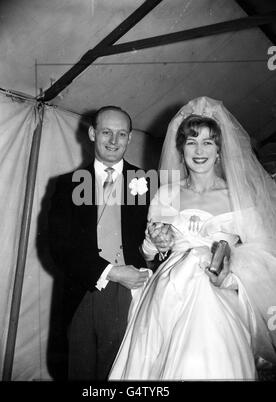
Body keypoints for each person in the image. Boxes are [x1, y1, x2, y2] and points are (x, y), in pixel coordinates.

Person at [109, 96, 276, 380]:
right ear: (181, 148)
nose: (199, 150)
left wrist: (228, 276)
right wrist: (154, 243)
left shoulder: (238, 198)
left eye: (208, 142)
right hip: (166, 297)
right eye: (191, 142)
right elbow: (150, 255)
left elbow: (265, 256)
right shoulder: (166, 195)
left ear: (220, 151)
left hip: (219, 298)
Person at [48, 106, 152, 380]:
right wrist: (111, 272)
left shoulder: (147, 182)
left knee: (120, 373)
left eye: (121, 134)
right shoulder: (66, 184)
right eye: (107, 132)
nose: (114, 141)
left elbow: (159, 248)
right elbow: (58, 245)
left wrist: (158, 246)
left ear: (130, 138)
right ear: (93, 133)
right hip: (82, 290)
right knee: (78, 372)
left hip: (130, 294)